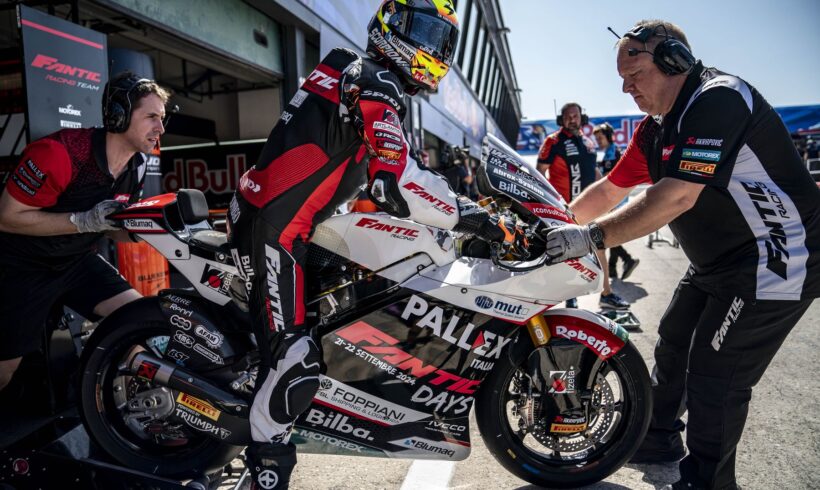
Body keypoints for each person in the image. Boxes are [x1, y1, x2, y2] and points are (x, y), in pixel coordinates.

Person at [226, 2, 520, 488]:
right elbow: (396, 183)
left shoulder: (360, 76)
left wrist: (462, 210)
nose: (433, 48)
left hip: (290, 225)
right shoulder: (374, 80)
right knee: (297, 360)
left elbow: (389, 177)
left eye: (444, 40)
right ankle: (264, 472)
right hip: (275, 233)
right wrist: (473, 217)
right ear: (391, 26)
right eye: (423, 31)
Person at [543, 19, 820, 490]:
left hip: (778, 258)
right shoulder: (656, 129)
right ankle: (656, 438)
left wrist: (586, 240)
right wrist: (553, 226)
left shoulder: (718, 98)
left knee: (716, 375)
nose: (625, 86)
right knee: (673, 340)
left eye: (634, 73)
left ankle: (708, 482)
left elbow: (674, 198)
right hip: (719, 260)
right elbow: (611, 190)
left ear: (675, 60)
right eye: (622, 77)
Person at [0, 72, 170, 394]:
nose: (160, 128)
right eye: (151, 117)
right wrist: (83, 221)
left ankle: (145, 407)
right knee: (3, 372)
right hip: (23, 267)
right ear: (118, 115)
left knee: (138, 319)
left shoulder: (137, 165)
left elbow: (110, 227)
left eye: (162, 119)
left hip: (76, 261)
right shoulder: (59, 153)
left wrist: (141, 230)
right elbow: (7, 217)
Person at [538, 103, 629, 309]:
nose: (572, 119)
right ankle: (571, 297)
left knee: (600, 246)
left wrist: (607, 200)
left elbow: (595, 173)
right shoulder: (553, 141)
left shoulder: (588, 142)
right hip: (565, 208)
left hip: (591, 206)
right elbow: (540, 173)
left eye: (576, 115)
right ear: (562, 119)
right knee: (567, 251)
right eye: (568, 116)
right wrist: (546, 203)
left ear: (582, 118)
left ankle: (606, 294)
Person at [593, 122, 640, 280]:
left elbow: (611, 179)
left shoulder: (614, 153)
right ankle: (612, 270)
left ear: (608, 136)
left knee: (606, 235)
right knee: (611, 233)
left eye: (600, 138)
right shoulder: (609, 152)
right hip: (615, 198)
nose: (598, 141)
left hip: (615, 199)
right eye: (596, 138)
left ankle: (627, 259)